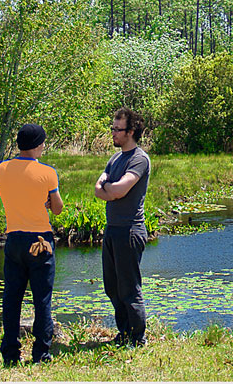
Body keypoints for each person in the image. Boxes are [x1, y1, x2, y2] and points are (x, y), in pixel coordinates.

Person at [0, 123, 64, 366]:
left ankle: (11, 353)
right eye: (43, 142)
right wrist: (48, 199)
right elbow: (57, 209)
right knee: (42, 299)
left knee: (12, 298)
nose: (44, 146)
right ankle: (41, 352)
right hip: (40, 241)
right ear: (37, 145)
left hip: (14, 238)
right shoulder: (48, 173)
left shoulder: (1, 169)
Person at [94, 106, 150, 347]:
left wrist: (109, 188)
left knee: (129, 288)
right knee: (112, 287)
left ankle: (138, 337)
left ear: (131, 132)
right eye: (113, 128)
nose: (113, 133)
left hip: (130, 230)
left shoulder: (139, 159)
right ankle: (124, 332)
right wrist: (109, 190)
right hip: (112, 229)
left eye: (118, 129)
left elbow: (117, 190)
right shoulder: (115, 158)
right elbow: (99, 190)